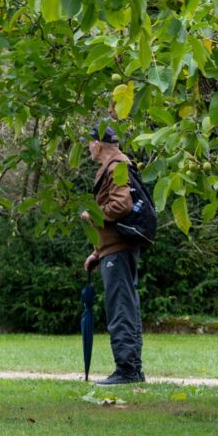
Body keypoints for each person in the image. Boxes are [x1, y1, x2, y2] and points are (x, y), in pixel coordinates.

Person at [85, 128, 145, 385]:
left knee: (120, 307)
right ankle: (133, 369)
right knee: (127, 306)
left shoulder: (115, 167)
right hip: (114, 248)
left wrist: (92, 215)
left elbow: (122, 205)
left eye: (90, 143)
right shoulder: (118, 165)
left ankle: (126, 370)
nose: (88, 148)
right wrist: (98, 252)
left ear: (98, 144)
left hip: (118, 250)